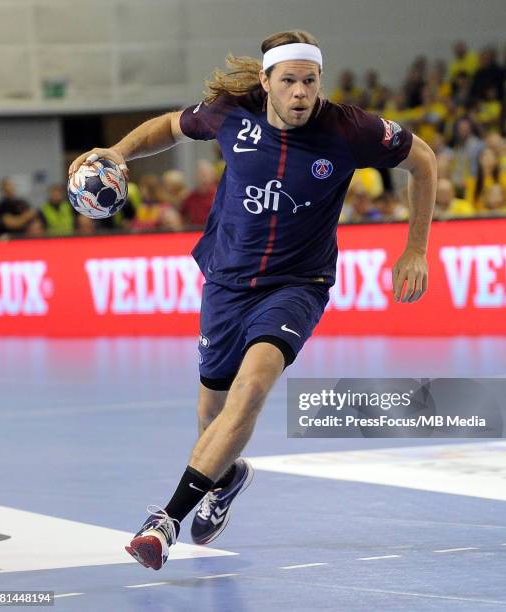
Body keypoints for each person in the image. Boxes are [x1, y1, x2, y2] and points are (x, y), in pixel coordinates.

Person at [69, 29, 436, 571]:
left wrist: (416, 248)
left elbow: (423, 160)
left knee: (253, 387)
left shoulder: (350, 129)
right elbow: (168, 126)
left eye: (309, 81)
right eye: (288, 81)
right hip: (226, 280)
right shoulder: (228, 115)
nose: (300, 93)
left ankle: (164, 521)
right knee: (210, 413)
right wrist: (118, 152)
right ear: (265, 83)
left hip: (297, 285)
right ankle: (226, 477)